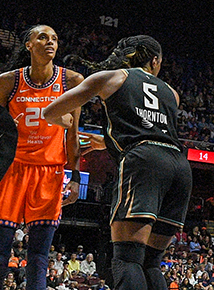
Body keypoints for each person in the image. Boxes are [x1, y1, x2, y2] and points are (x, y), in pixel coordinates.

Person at [44, 35, 192, 290]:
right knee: (151, 263)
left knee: (127, 259)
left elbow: (50, 111)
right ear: (155, 60)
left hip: (144, 163)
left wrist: (67, 124)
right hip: (180, 166)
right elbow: (151, 130)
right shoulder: (172, 94)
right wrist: (107, 142)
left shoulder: (111, 77)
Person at [0, 25, 84, 290]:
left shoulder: (71, 81)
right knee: (1, 251)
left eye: (55, 39)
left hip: (50, 172)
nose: (51, 42)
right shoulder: (8, 81)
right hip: (12, 169)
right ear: (28, 45)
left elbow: (73, 136)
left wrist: (75, 178)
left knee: (38, 255)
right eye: (43, 37)